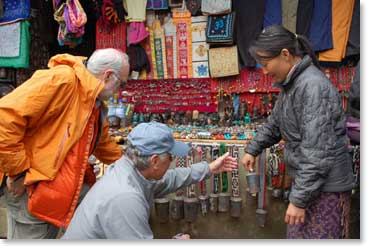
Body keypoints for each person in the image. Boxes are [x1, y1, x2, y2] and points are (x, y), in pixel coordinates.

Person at [0, 48, 130, 239]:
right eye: (121, 83)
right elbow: (5, 118)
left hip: (54, 188)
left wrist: (129, 165)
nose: (120, 89)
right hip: (30, 186)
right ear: (108, 75)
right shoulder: (63, 80)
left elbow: (102, 144)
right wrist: (18, 173)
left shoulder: (91, 98)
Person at [241, 25, 354, 239]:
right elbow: (276, 122)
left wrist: (299, 199)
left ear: (285, 54)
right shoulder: (292, 84)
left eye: (266, 64)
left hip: (326, 187)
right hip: (313, 183)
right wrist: (253, 149)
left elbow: (317, 152)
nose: (264, 71)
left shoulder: (312, 87)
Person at [62, 122, 238, 239]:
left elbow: (169, 179)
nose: (172, 162)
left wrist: (210, 168)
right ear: (154, 161)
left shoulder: (129, 169)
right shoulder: (125, 197)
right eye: (170, 157)